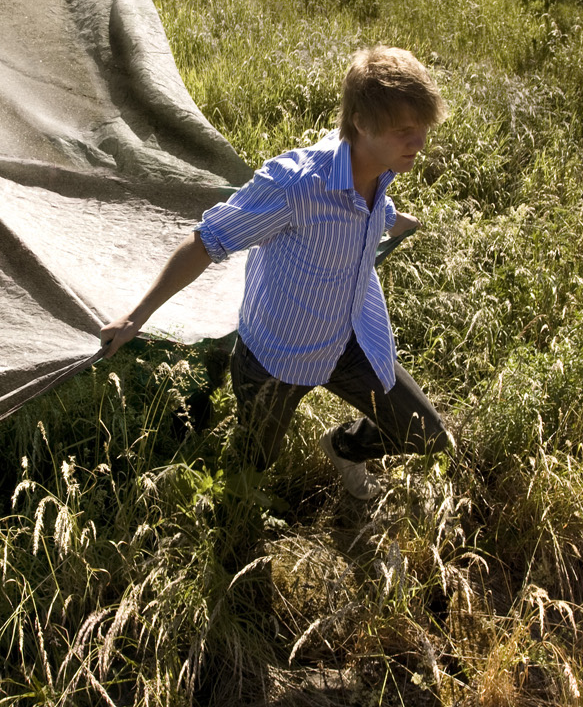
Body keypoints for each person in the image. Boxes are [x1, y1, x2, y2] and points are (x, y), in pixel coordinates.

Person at [98, 46, 454, 500]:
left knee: (424, 433)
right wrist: (136, 317)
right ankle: (234, 529)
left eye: (422, 128)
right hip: (275, 357)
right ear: (362, 122)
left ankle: (342, 447)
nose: (419, 142)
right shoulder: (296, 185)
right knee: (250, 470)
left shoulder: (380, 165)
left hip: (348, 340)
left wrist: (391, 218)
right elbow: (207, 241)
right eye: (406, 131)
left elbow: (362, 206)